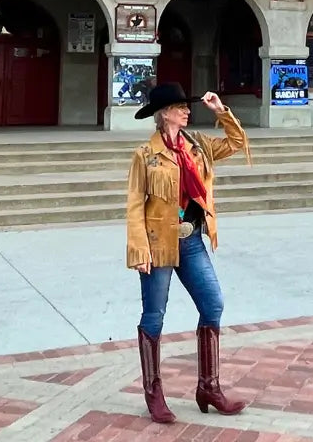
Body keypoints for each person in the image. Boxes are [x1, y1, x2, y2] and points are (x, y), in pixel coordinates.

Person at [126, 81, 250, 424]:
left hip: (192, 239)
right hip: (158, 244)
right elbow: (135, 205)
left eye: (186, 106)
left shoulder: (199, 146)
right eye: (180, 107)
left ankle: (209, 387)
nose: (186, 110)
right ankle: (154, 395)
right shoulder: (146, 155)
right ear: (165, 113)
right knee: (155, 315)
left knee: (213, 304)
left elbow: (238, 143)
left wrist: (221, 112)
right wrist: (139, 249)